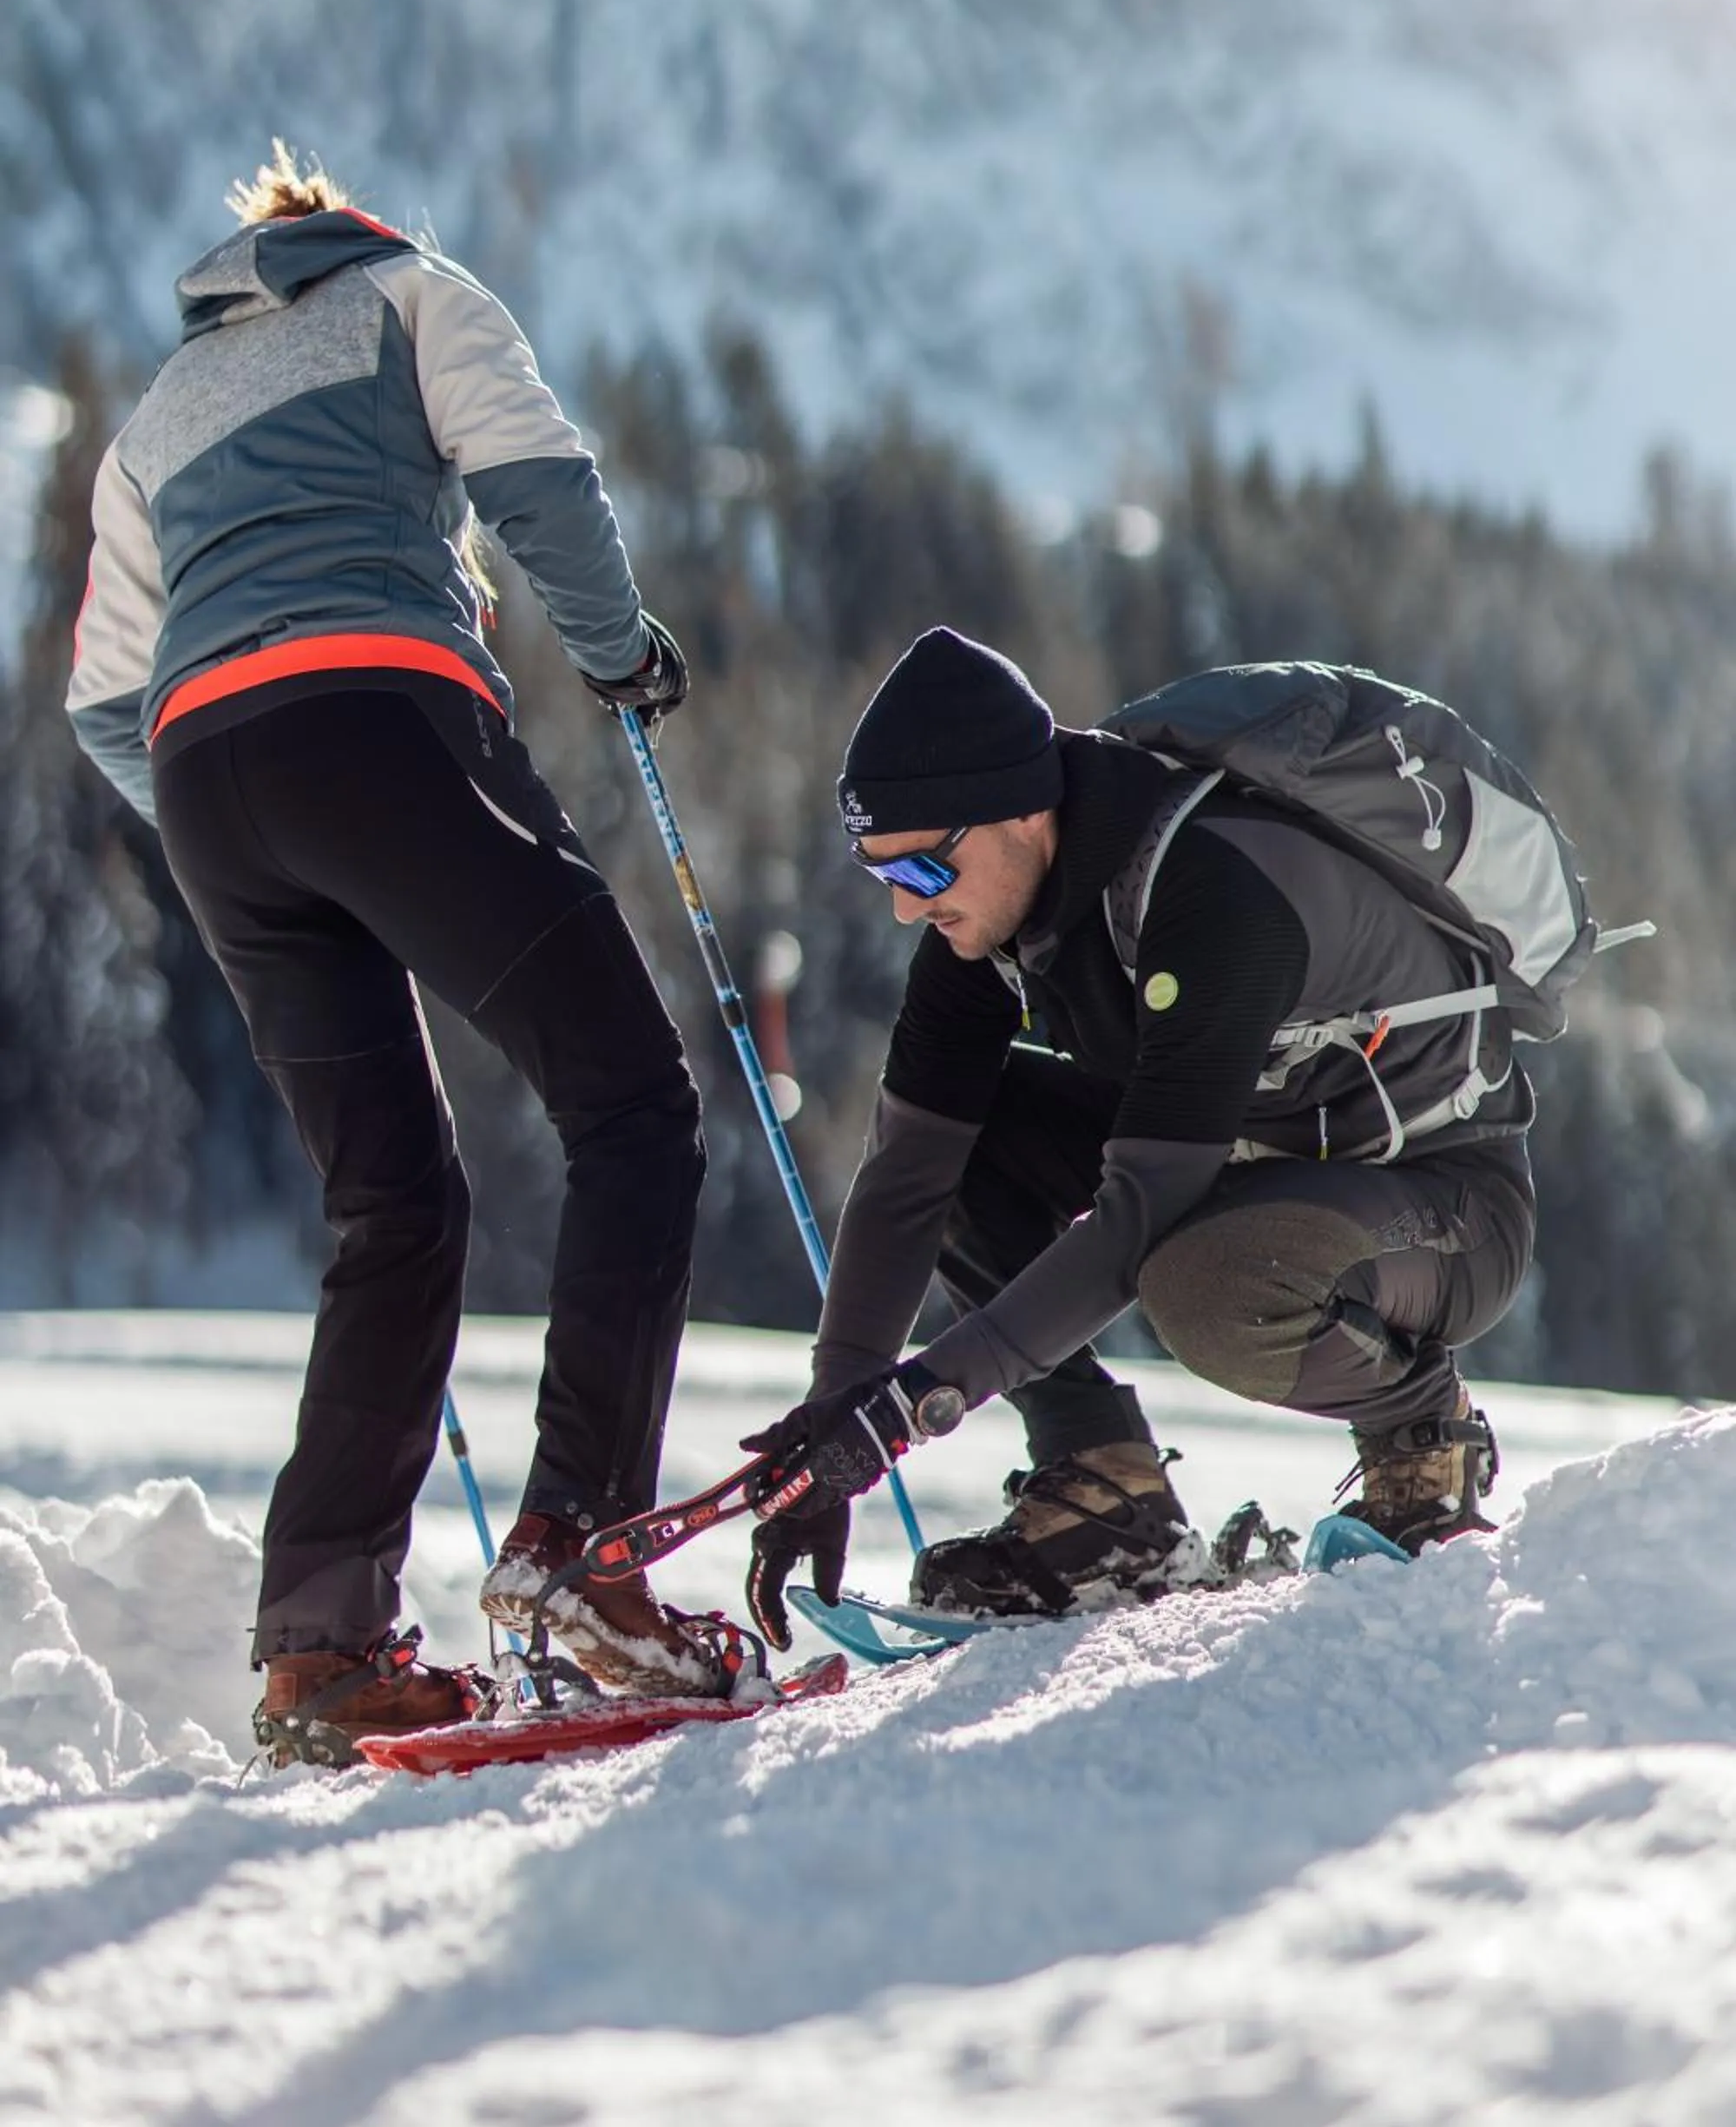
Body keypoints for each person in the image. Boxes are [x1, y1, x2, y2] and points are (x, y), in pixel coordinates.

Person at [68, 141, 727, 1764]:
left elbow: (101, 703)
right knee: (635, 1107)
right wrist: (621, 653)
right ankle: (584, 1553)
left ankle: (319, 1649)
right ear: (344, 229)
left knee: (394, 1201)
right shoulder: (413, 293)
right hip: (381, 715)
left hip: (210, 784)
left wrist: (247, 818)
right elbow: (538, 484)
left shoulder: (153, 423)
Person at [742, 626, 1535, 1646]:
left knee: (1207, 1285)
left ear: (1023, 811)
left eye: (924, 873)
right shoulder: (986, 916)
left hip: (1441, 1205)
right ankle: (1104, 1500)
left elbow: (1139, 1215)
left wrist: (913, 1406)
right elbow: (906, 1172)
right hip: (1252, 1165)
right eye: (876, 873)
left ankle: (1419, 1438)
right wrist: (833, 1416)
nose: (903, 909)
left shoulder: (1214, 891)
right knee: (967, 1150)